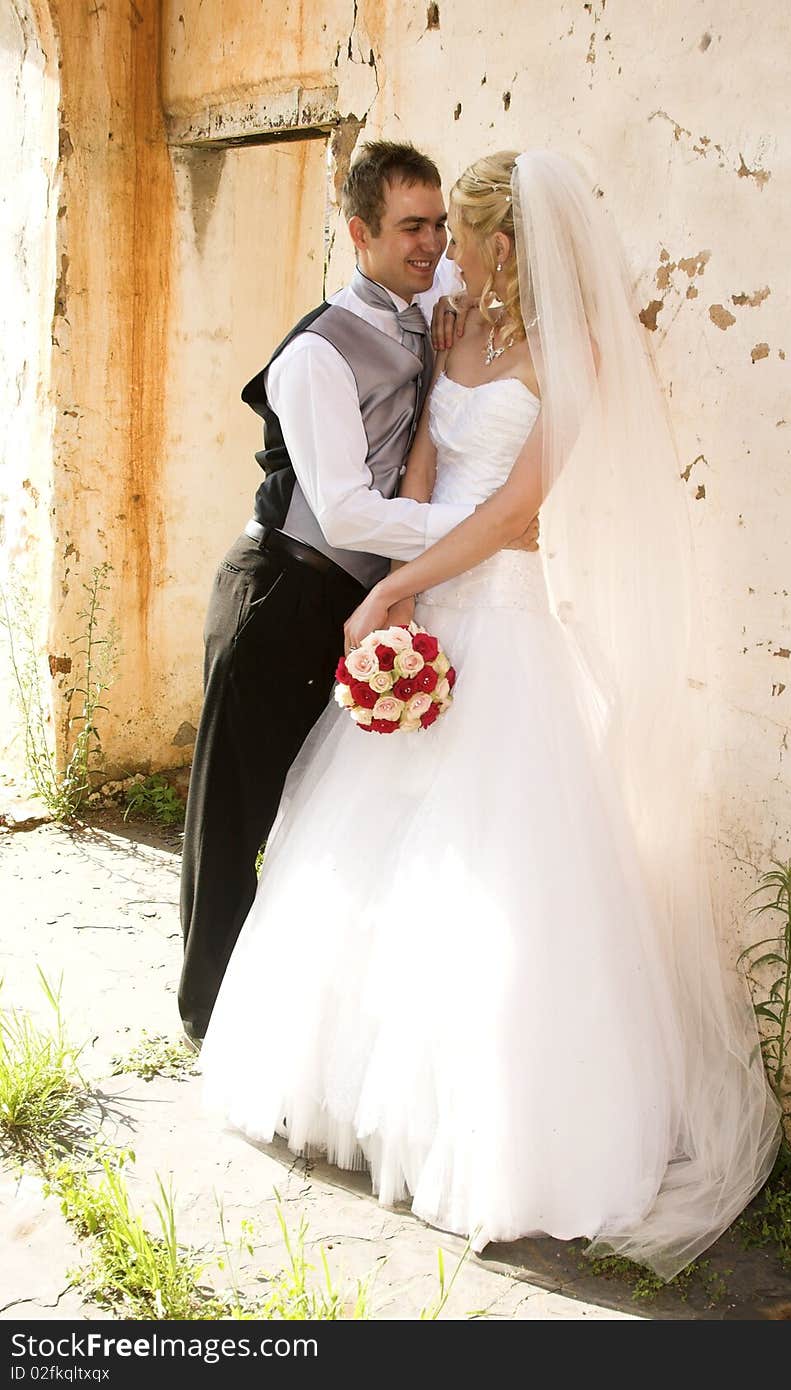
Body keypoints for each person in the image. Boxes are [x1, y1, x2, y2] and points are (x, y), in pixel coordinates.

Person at [199, 149, 780, 1278]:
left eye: (458, 233)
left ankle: (503, 1141)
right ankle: (375, 1104)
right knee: (385, 858)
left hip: (505, 622)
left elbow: (518, 511)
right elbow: (421, 472)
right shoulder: (454, 332)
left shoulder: (578, 354)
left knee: (497, 874)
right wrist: (402, 606)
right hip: (431, 609)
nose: (444, 253)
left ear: (501, 242)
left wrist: (387, 586)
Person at [177, 141, 534, 1046]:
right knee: (235, 823)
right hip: (282, 596)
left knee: (318, 814)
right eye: (412, 226)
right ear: (360, 233)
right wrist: (481, 527)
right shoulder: (316, 354)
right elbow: (344, 510)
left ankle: (301, 1017)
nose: (432, 243)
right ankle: (207, 1020)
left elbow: (492, 272)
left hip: (366, 606)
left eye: (442, 225)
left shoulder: (433, 308)